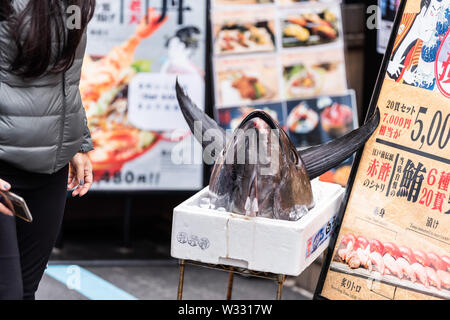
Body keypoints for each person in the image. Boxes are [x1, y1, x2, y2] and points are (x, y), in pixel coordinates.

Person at [0, 0, 96, 300]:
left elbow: (67, 78)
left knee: (26, 291)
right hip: (3, 167)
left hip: (50, 170)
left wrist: (78, 141)